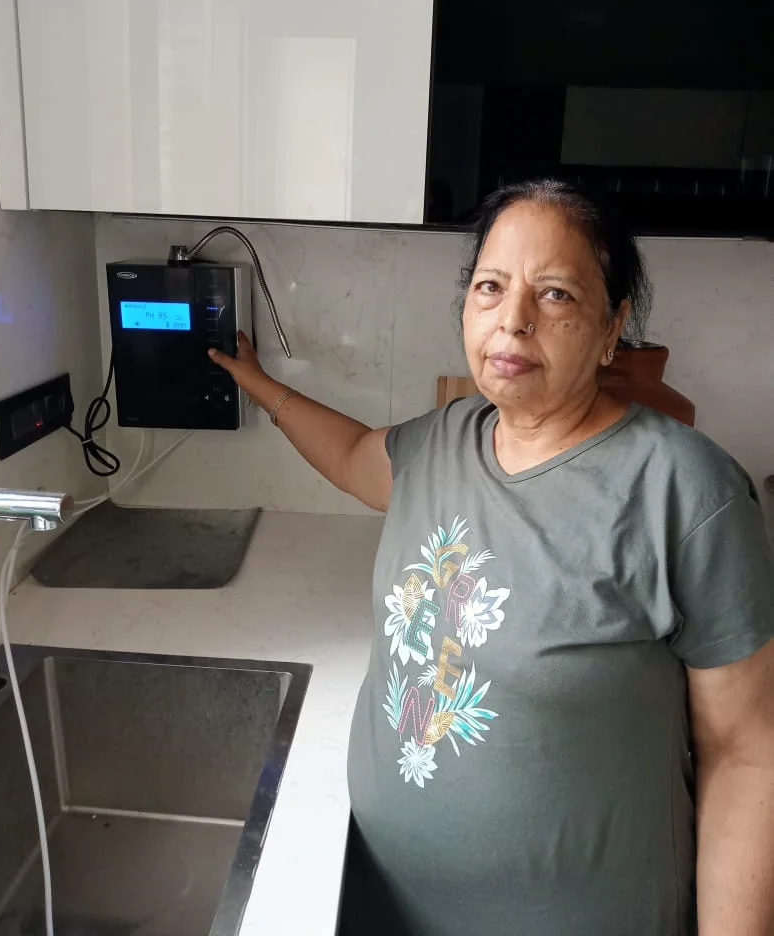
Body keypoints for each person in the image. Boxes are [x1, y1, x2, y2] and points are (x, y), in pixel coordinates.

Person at [209, 180, 774, 936]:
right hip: (382, 896)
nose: (513, 319)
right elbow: (349, 453)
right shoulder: (446, 438)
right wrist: (258, 384)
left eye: (556, 295)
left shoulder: (686, 492)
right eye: (490, 286)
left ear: (613, 327)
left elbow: (745, 754)